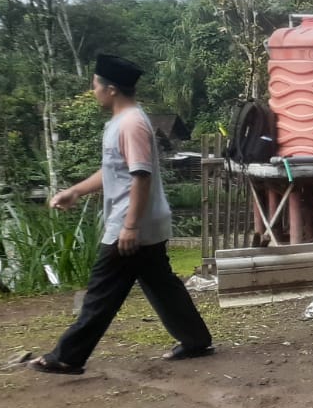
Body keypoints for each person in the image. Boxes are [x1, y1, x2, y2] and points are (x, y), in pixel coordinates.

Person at [26, 54, 214, 375]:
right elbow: (114, 171)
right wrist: (76, 191)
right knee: (161, 285)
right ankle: (196, 339)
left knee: (102, 291)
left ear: (111, 89)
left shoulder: (131, 124)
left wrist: (130, 226)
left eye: (95, 85)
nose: (93, 91)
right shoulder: (122, 122)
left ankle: (69, 356)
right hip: (141, 222)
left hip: (131, 224)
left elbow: (141, 176)